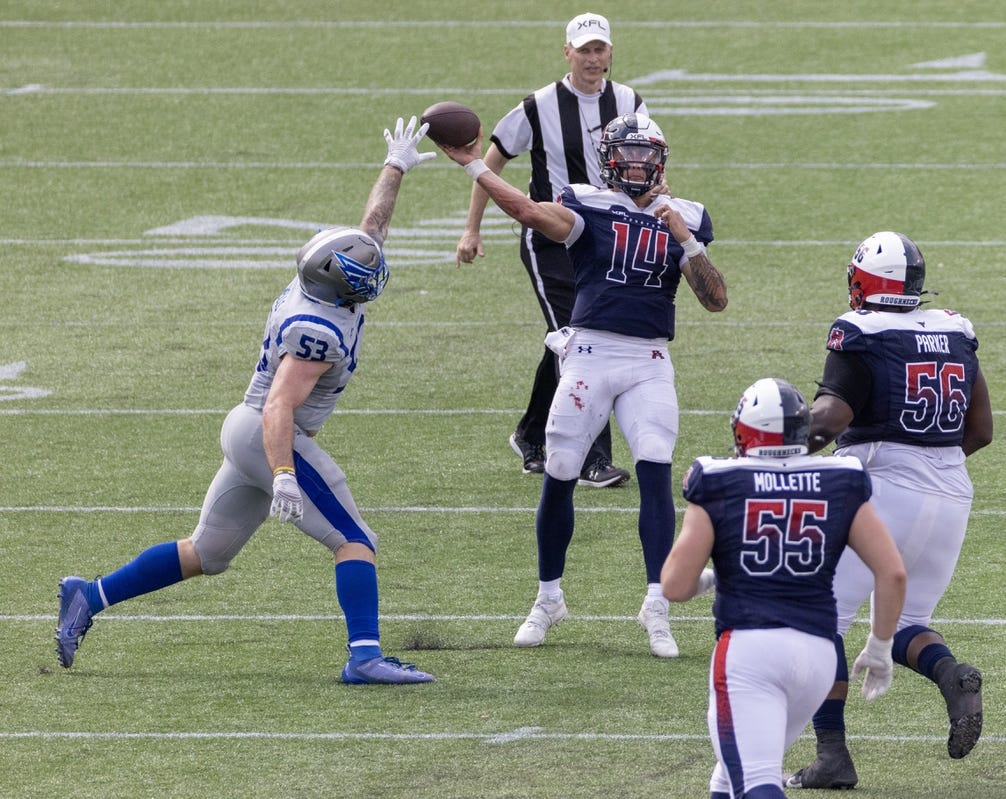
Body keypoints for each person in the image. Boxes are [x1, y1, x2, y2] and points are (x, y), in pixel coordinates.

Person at [54, 117, 439, 685]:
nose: (374, 274)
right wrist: (283, 472)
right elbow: (282, 406)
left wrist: (396, 167)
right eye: (364, 275)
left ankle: (89, 595)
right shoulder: (317, 330)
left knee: (206, 554)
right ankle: (364, 657)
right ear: (340, 284)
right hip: (267, 432)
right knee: (355, 539)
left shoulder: (324, 283)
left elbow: (370, 231)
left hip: (246, 427)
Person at [441, 111, 728, 657]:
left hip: (649, 358)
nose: (639, 164)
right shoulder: (586, 202)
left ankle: (657, 605)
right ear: (610, 160)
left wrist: (687, 242)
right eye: (630, 154)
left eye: (648, 155)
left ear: (661, 161)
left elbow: (715, 300)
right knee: (562, 467)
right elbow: (526, 210)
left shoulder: (686, 215)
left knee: (654, 464)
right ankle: (548, 597)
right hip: (590, 353)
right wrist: (476, 164)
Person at [786, 231, 994, 789]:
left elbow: (829, 421)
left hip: (882, 488)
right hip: (952, 490)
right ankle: (951, 674)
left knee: (821, 618)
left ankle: (832, 756)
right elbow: (981, 431)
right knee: (905, 623)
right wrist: (928, 465)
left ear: (864, 281)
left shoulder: (860, 329)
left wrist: (775, 453)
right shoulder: (955, 328)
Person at [662, 377, 907, 799]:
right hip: (817, 657)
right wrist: (881, 646)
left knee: (756, 781)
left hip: (751, 652)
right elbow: (893, 573)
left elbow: (674, 585)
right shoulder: (840, 478)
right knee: (728, 777)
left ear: (743, 432)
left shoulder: (718, 480)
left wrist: (713, 578)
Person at [456, 12, 646, 488]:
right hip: (551, 239)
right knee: (583, 337)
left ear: (610, 52)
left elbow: (649, 162)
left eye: (600, 49)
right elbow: (489, 164)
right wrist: (471, 229)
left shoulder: (628, 102)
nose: (592, 58)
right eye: (584, 50)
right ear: (567, 53)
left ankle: (530, 433)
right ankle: (593, 459)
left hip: (603, 241)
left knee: (568, 336)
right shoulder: (538, 106)